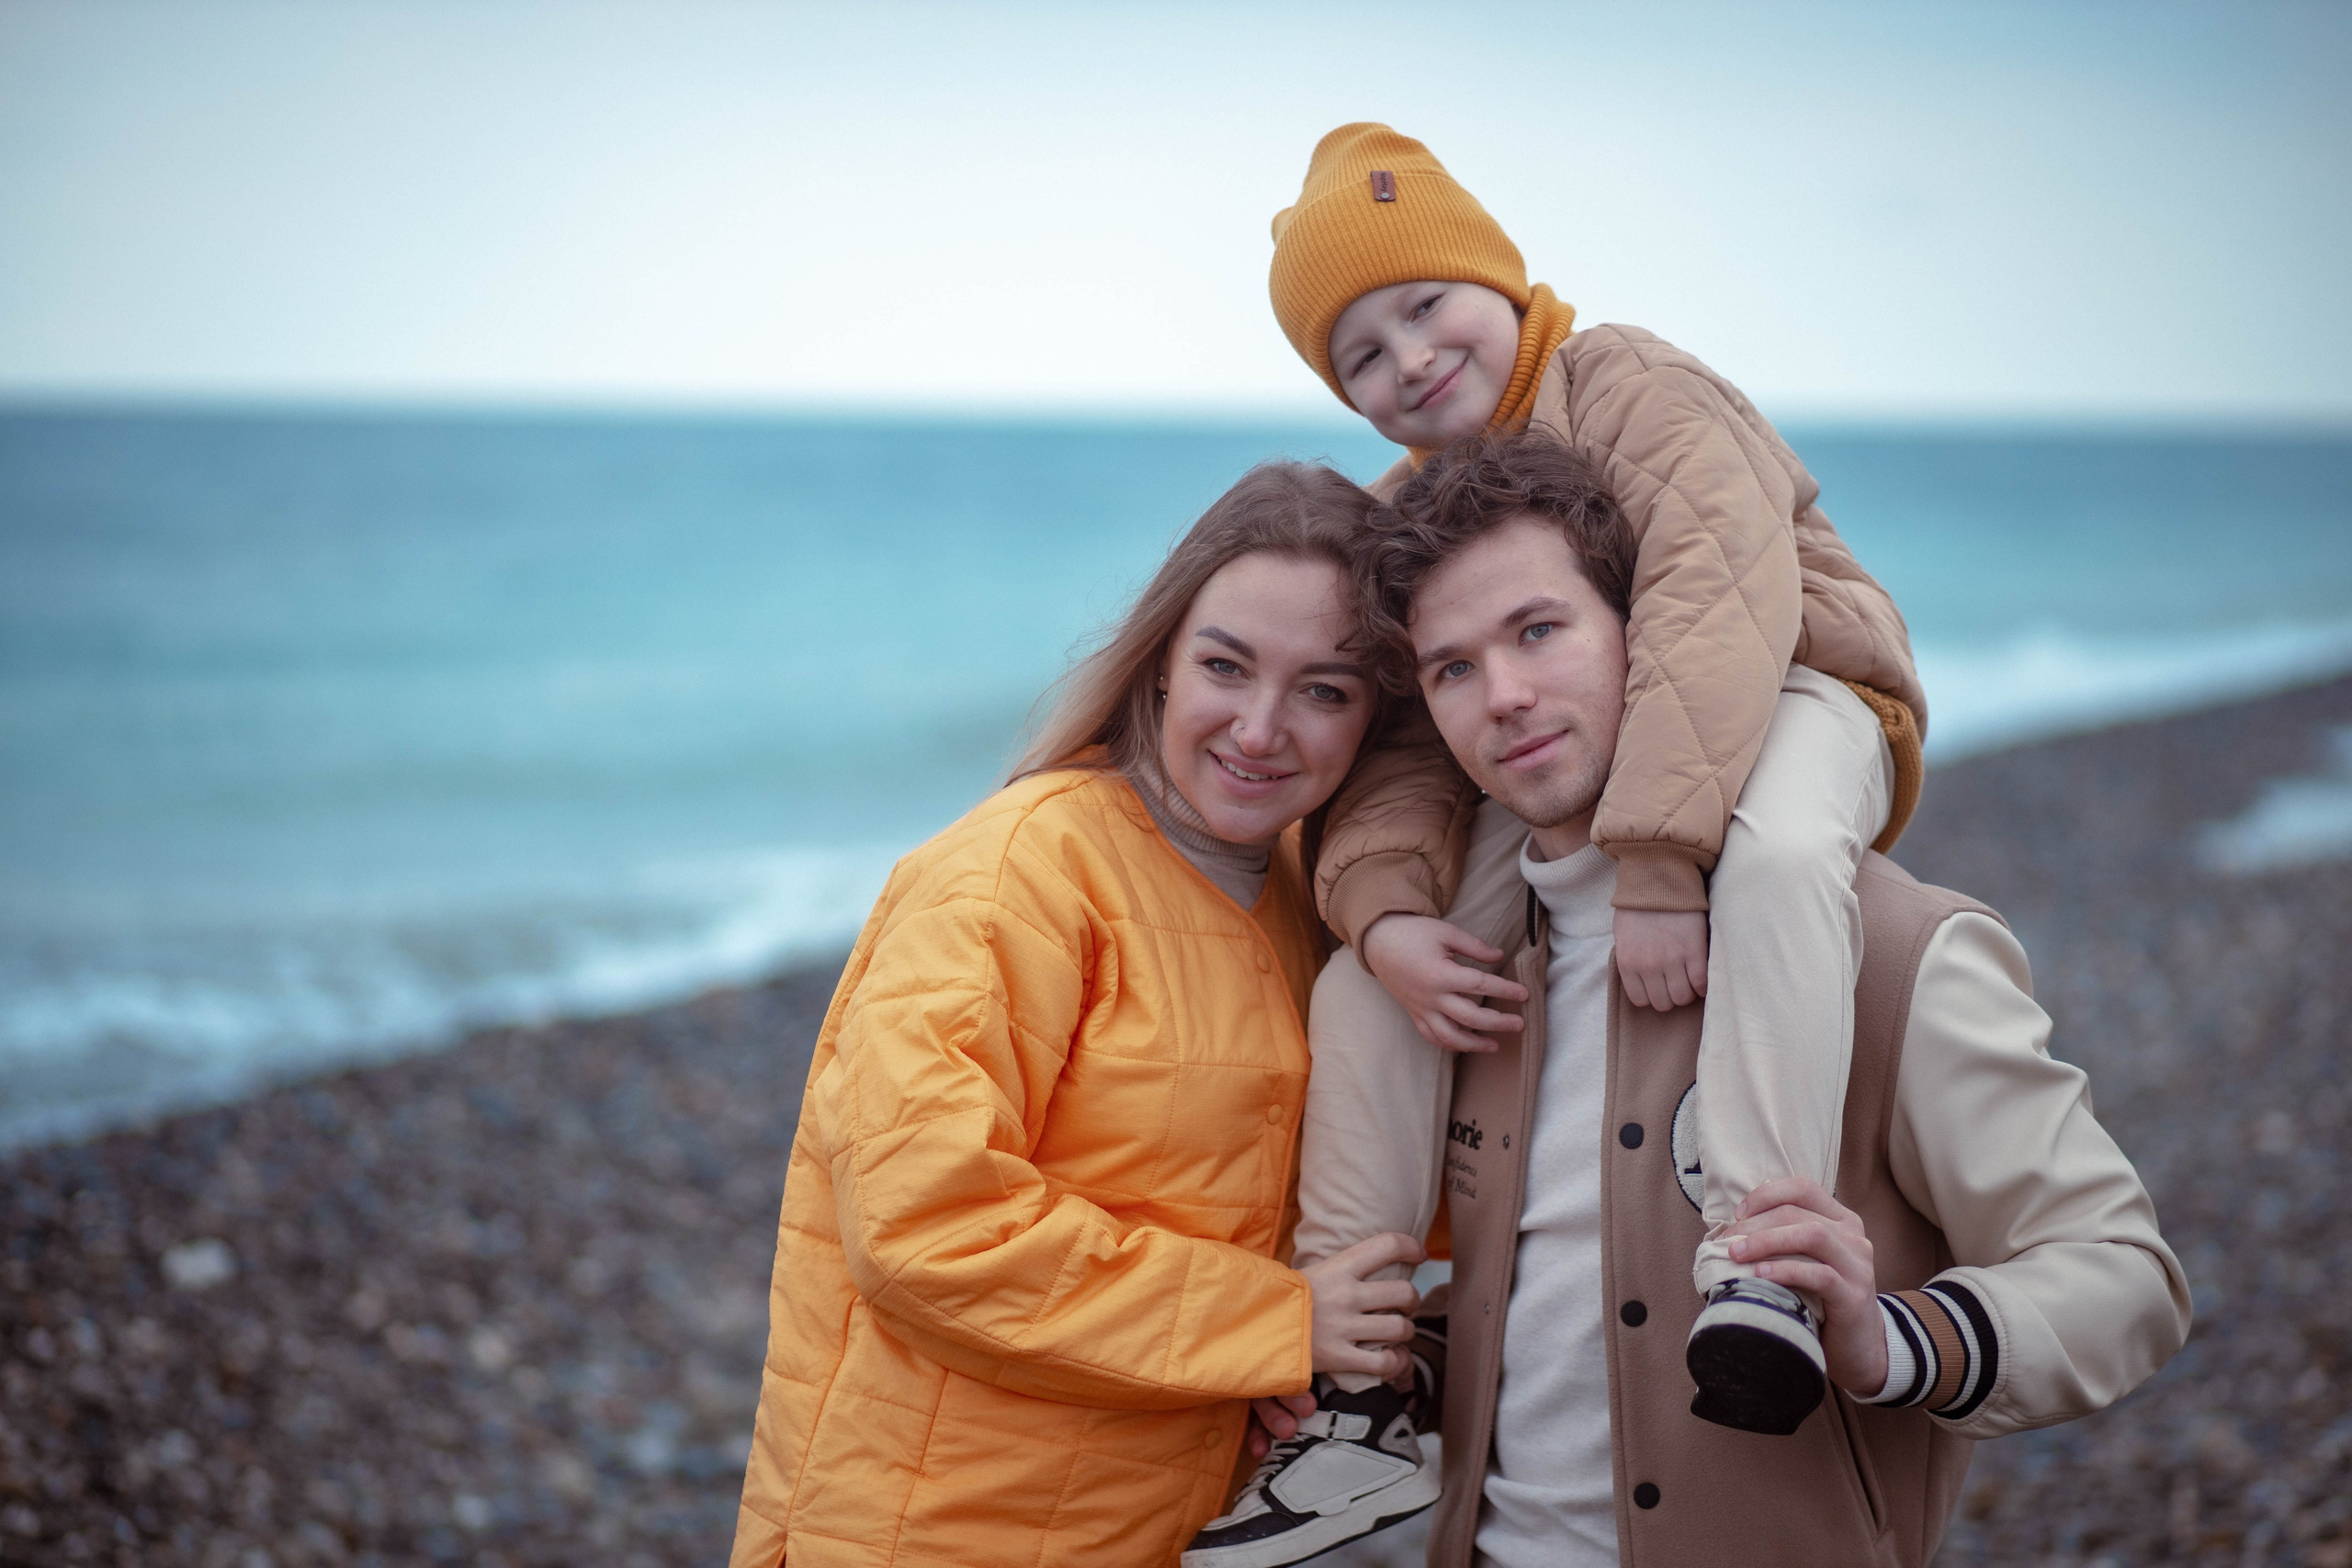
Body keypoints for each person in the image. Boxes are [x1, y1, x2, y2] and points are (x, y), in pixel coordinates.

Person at [1197, 431, 2188, 1568]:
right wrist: (1411, 1361)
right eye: (1452, 667)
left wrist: (1885, 1340)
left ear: (1645, 634)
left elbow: (2127, 1279)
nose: (1504, 698)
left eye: (1538, 630)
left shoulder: (1897, 953)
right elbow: (1553, 1296)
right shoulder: (1453, 984)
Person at [1214, 121, 1931, 1552]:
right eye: (1361, 355)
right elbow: (1412, 750)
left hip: (1795, 678)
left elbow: (1714, 602)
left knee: (1783, 859)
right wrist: (1387, 913)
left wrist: (1664, 863)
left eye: (1426, 305)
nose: (1410, 359)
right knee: (1371, 985)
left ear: (1498, 274)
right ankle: (1357, 1391)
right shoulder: (1416, 514)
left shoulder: (1630, 380)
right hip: (1618, 746)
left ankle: (1760, 1268)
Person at [727, 461, 1450, 1568]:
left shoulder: (1307, 907)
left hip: (1151, 1527)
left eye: (1325, 690)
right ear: (1161, 661)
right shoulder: (1016, 873)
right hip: (931, 1532)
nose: (1260, 729)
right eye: (1225, 666)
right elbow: (926, 1227)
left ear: (1375, 717)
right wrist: (1274, 1323)